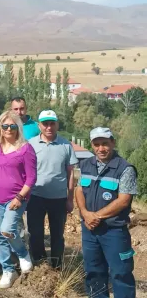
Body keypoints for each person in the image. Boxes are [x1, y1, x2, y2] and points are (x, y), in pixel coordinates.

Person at [76, 127, 137, 298]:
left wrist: (96, 216)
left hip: (114, 232)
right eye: (97, 144)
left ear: (113, 143)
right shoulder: (86, 164)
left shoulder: (125, 168)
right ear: (92, 145)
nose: (101, 148)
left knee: (121, 274)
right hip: (90, 231)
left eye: (105, 144)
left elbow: (123, 200)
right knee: (93, 272)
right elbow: (79, 190)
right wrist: (85, 213)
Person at [0, 110, 36, 289]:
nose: (8, 129)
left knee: (8, 229)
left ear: (18, 128)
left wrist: (20, 197)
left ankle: (22, 253)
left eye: (12, 126)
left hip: (16, 198)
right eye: (5, 126)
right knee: (0, 236)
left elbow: (31, 178)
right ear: (0, 127)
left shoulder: (25, 148)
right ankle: (8, 270)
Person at [27, 110, 78, 268]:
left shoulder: (65, 145)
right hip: (35, 197)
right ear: (39, 125)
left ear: (57, 124)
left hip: (58, 198)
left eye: (52, 123)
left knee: (57, 235)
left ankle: (56, 265)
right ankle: (40, 265)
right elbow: (25, 171)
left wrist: (70, 199)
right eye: (45, 124)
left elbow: (71, 174)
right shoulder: (30, 144)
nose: (49, 127)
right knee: (35, 234)